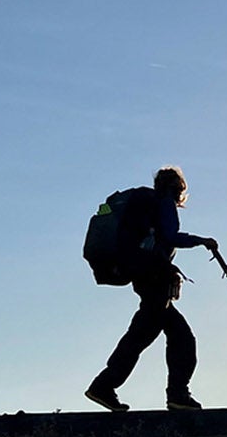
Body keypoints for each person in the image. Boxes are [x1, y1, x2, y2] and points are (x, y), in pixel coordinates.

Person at [85, 166, 218, 412]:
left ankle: (108, 385)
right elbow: (169, 236)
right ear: (179, 189)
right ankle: (173, 394)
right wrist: (201, 241)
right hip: (153, 277)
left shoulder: (145, 203)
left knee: (152, 334)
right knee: (171, 337)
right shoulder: (163, 202)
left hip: (143, 274)